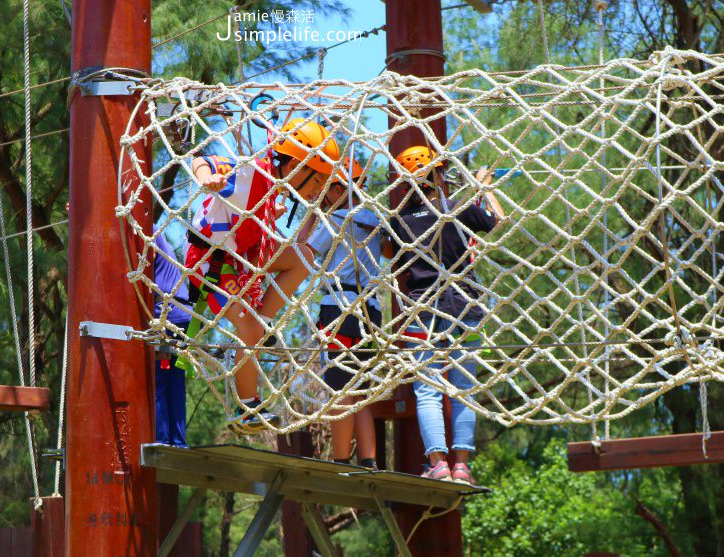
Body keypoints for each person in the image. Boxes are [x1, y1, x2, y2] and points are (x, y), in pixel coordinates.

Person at [184, 118, 341, 435]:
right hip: (212, 261)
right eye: (315, 182)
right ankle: (246, 406)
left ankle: (259, 324)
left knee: (302, 257)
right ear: (297, 165)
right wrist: (208, 179)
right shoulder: (251, 171)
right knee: (249, 327)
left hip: (246, 253)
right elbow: (200, 159)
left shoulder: (276, 184)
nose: (316, 191)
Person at [388, 145, 505, 485]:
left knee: (427, 391)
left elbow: (388, 251)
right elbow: (499, 222)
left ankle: (438, 464)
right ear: (436, 176)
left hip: (422, 309)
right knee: (464, 387)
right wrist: (484, 187)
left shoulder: (400, 221)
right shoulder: (456, 209)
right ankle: (462, 467)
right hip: (463, 306)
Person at [305, 157, 389, 469]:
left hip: (340, 309)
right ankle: (368, 459)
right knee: (359, 390)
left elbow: (306, 249)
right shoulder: (372, 218)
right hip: (371, 312)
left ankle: (340, 460)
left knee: (338, 390)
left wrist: (313, 213)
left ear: (338, 188)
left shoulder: (337, 217)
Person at [153, 232, 192, 447]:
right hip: (184, 314)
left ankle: (161, 438)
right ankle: (178, 440)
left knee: (160, 376)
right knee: (174, 377)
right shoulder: (163, 239)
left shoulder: (148, 235)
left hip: (167, 312)